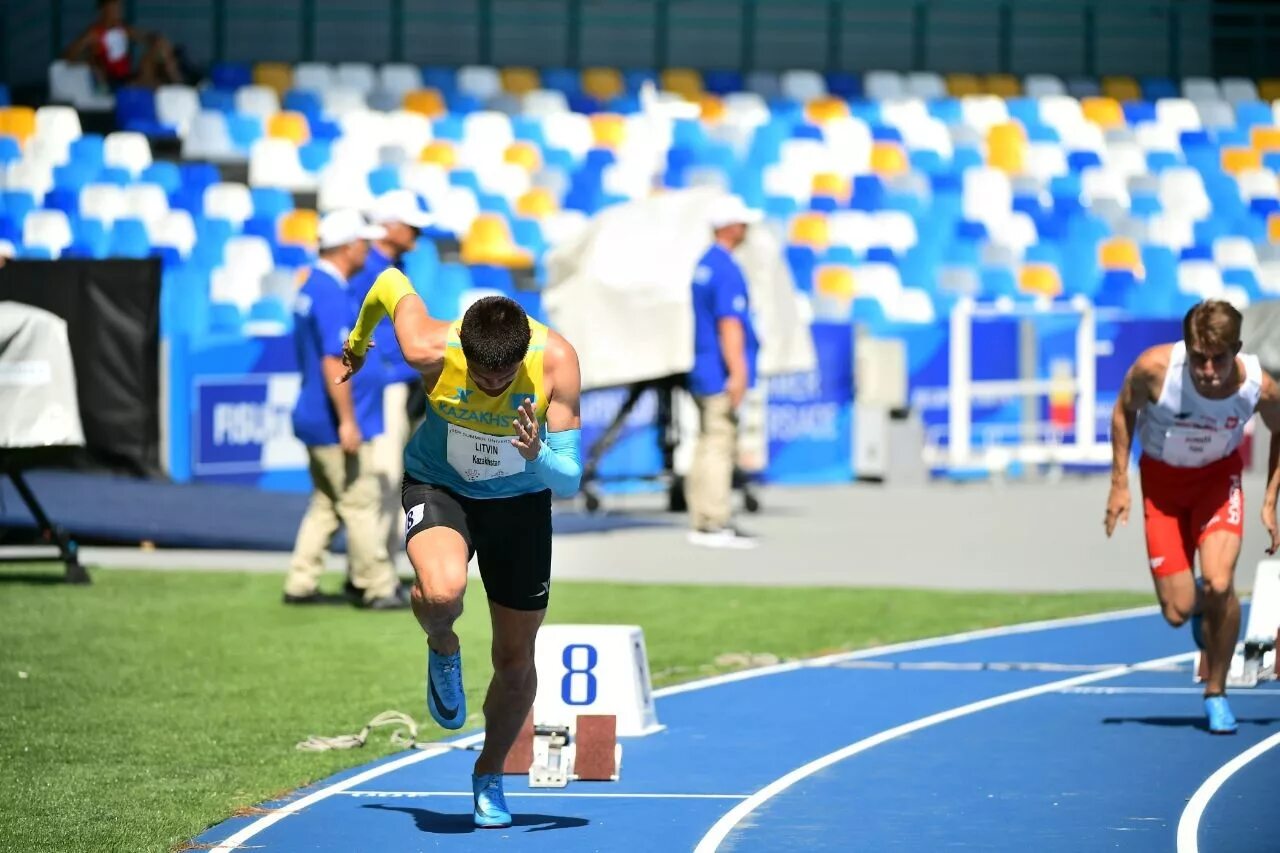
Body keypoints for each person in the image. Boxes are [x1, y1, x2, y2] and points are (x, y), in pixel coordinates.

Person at [339, 269, 583, 829]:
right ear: (462, 352)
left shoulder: (557, 362)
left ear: (522, 356)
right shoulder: (427, 344)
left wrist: (534, 454)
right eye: (481, 377)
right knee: (442, 591)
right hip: (440, 485)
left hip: (519, 503)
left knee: (515, 661)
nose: (492, 387)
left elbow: (568, 479)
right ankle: (442, 644)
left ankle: (489, 771)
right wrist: (356, 342)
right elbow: (387, 281)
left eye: (503, 379)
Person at [1105, 299, 1280, 734]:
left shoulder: (1258, 386)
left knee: (1221, 581)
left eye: (1217, 359)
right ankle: (1207, 611)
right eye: (1198, 357)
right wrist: (1119, 483)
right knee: (1178, 611)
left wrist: (1270, 498)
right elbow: (1123, 411)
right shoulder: (1155, 370)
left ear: (1236, 348)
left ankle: (1216, 692)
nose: (1206, 369)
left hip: (1217, 484)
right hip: (1162, 489)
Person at [284, 209, 407, 611]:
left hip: (314, 413)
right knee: (360, 500)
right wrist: (349, 421)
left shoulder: (312, 287)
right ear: (350, 245)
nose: (368, 249)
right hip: (332, 418)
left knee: (325, 502)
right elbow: (332, 361)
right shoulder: (330, 292)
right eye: (363, 242)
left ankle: (300, 582)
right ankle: (376, 586)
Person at [349, 190, 435, 556]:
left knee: (392, 476)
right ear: (390, 226)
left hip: (401, 382)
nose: (417, 232)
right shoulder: (366, 265)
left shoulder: (394, 265)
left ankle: (379, 566)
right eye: (411, 224)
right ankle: (374, 572)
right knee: (381, 477)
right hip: (382, 384)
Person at [686, 195, 762, 549]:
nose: (746, 228)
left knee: (707, 442)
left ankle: (703, 517)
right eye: (742, 222)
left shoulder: (705, 264)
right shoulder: (726, 269)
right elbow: (730, 325)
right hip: (718, 370)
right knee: (719, 442)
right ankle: (714, 520)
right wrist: (739, 372)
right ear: (730, 226)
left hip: (703, 365)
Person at [63, 0, 183, 91]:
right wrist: (89, 63)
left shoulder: (123, 29)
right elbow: (69, 56)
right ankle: (175, 86)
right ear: (104, 9)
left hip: (126, 77)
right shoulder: (94, 34)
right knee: (154, 84)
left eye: (119, 7)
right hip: (110, 81)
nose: (118, 11)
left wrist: (158, 41)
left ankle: (179, 84)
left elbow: (146, 37)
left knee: (158, 48)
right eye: (114, 7)